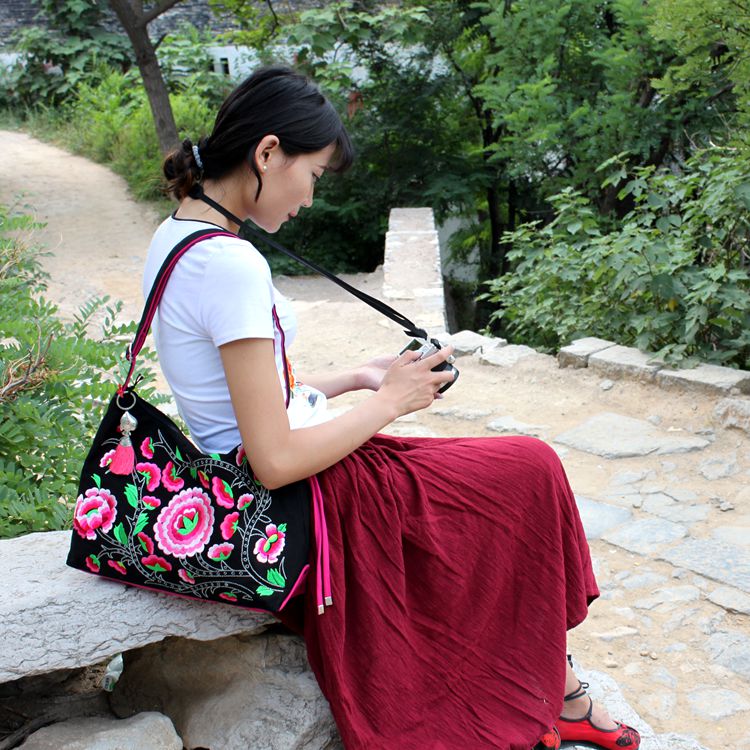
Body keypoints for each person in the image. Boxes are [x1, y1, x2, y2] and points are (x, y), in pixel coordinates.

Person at [146, 65, 641, 750]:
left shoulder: (177, 236)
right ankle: (558, 693)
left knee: (507, 479)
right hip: (297, 496)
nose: (310, 197)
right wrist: (390, 403)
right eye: (314, 174)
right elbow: (274, 458)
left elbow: (238, 398)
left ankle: (557, 687)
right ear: (267, 153)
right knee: (528, 469)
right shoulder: (229, 264)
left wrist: (357, 377)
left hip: (254, 476)